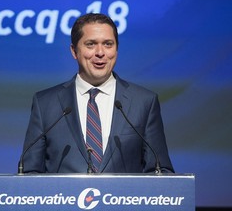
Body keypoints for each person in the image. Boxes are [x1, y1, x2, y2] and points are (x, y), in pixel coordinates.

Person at [21, 13, 174, 174]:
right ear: (74, 51)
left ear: (117, 49)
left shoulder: (144, 102)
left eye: (108, 44)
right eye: (91, 44)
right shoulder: (45, 103)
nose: (100, 52)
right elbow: (30, 172)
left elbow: (160, 170)